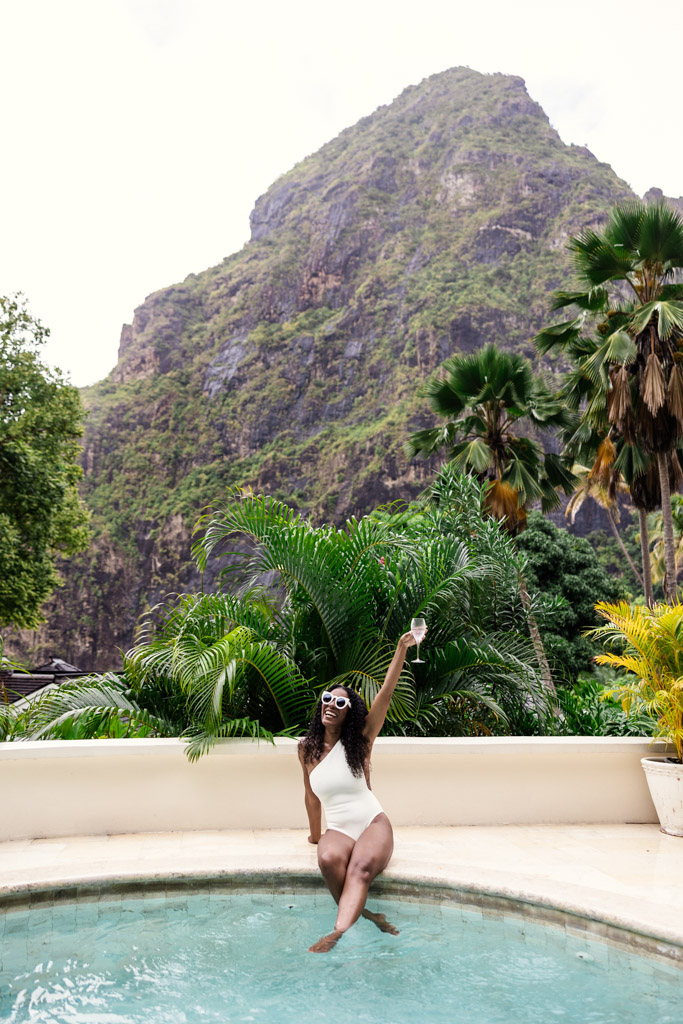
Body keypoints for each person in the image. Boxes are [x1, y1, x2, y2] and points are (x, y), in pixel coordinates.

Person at [298, 630, 420, 953]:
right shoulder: (306, 749)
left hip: (371, 823)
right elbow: (311, 797)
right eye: (327, 698)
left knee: (359, 868)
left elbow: (386, 693)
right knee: (326, 858)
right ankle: (368, 915)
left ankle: (335, 934)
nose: (331, 705)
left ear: (349, 712)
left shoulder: (361, 739)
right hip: (338, 828)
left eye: (341, 703)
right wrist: (315, 836)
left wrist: (400, 649)